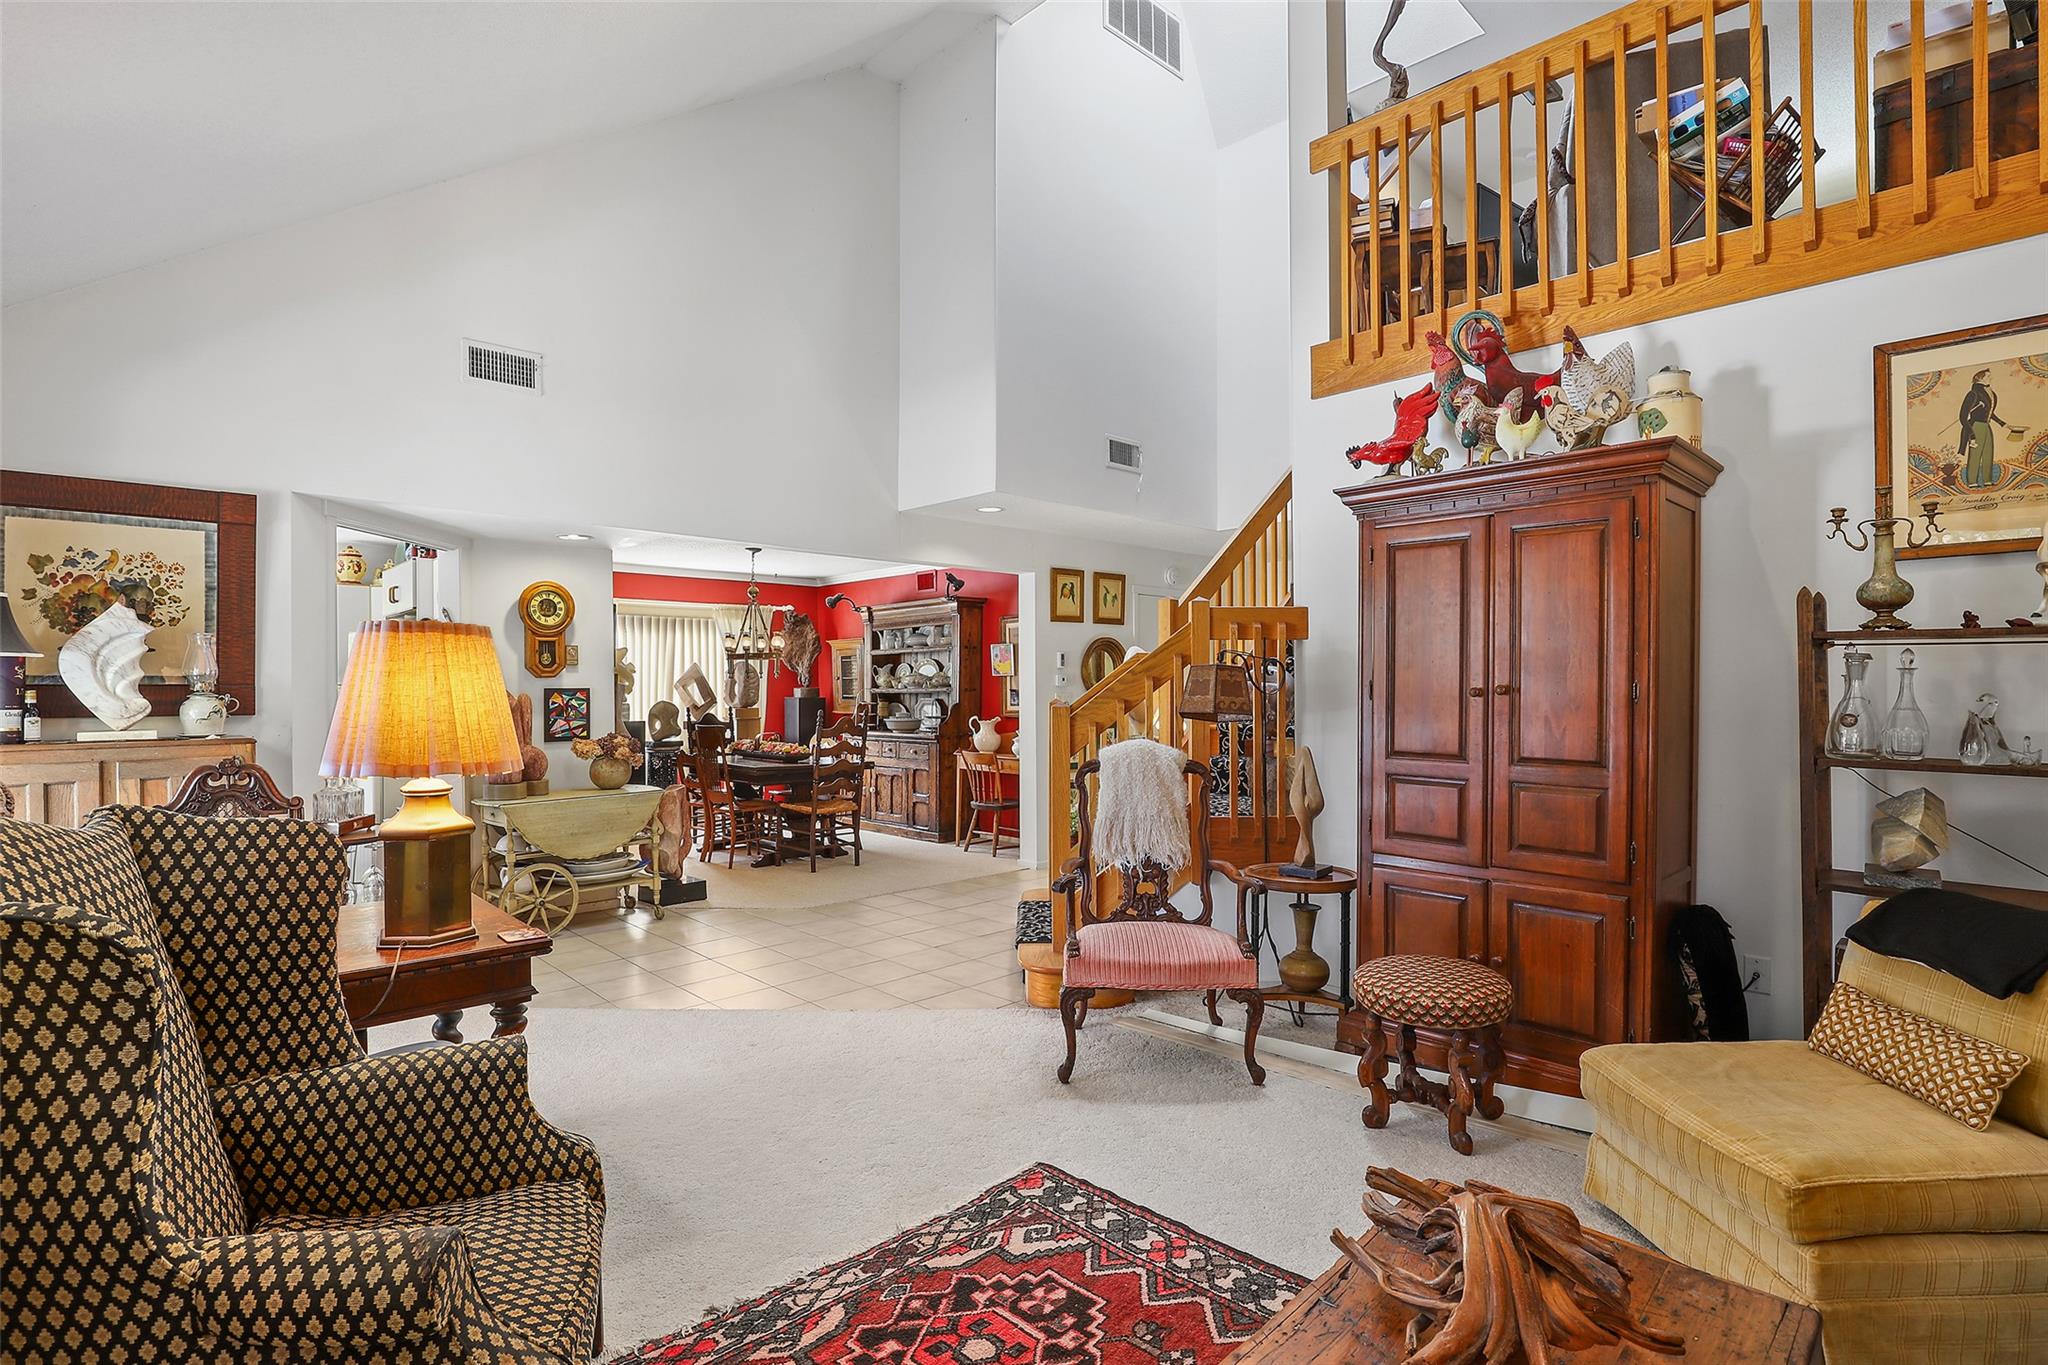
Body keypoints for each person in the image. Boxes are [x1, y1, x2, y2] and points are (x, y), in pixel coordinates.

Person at [1956, 368, 2025, 487]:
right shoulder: (1973, 394)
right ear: (1980, 378)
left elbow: (1990, 413)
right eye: (1988, 376)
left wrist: (2004, 424)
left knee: (1988, 452)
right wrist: (1971, 434)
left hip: (1986, 426)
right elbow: (1963, 417)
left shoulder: (1989, 393)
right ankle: (1972, 481)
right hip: (1976, 426)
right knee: (1976, 454)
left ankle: (1987, 480)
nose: (1991, 378)